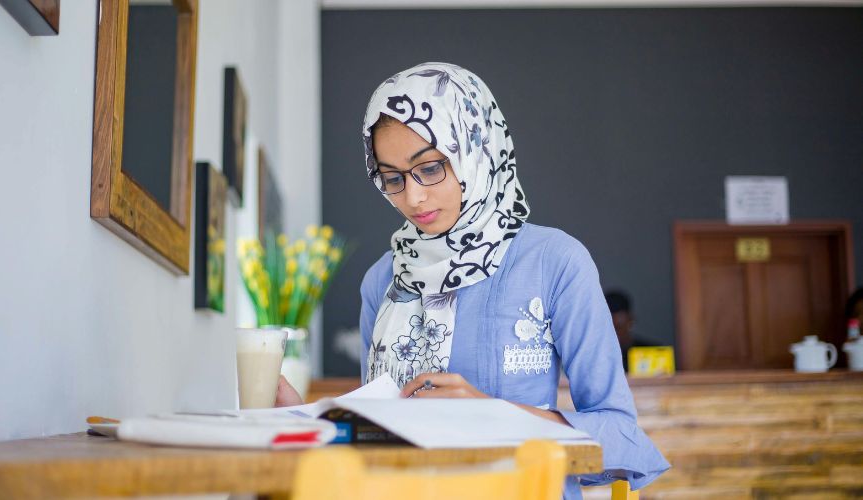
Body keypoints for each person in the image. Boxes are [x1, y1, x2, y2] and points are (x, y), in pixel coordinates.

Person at [276, 62, 669, 497]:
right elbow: (379, 431)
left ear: (474, 149)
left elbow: (619, 434)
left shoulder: (553, 262)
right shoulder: (383, 280)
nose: (413, 196)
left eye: (429, 168)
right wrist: (306, 425)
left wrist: (491, 415)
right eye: (391, 178)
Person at [604, 289, 655, 372]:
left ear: (631, 320)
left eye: (618, 328)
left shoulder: (650, 353)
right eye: (610, 329)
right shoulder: (596, 356)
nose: (615, 335)